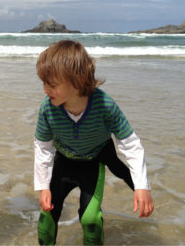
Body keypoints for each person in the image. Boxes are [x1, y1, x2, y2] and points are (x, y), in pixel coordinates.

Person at [34, 40, 154, 245]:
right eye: (43, 83)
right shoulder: (48, 109)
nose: (45, 90)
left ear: (77, 81)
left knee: (90, 220)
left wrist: (141, 186)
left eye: (51, 84)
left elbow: (131, 143)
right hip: (63, 163)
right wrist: (43, 186)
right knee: (46, 219)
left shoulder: (105, 105)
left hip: (94, 162)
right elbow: (43, 147)